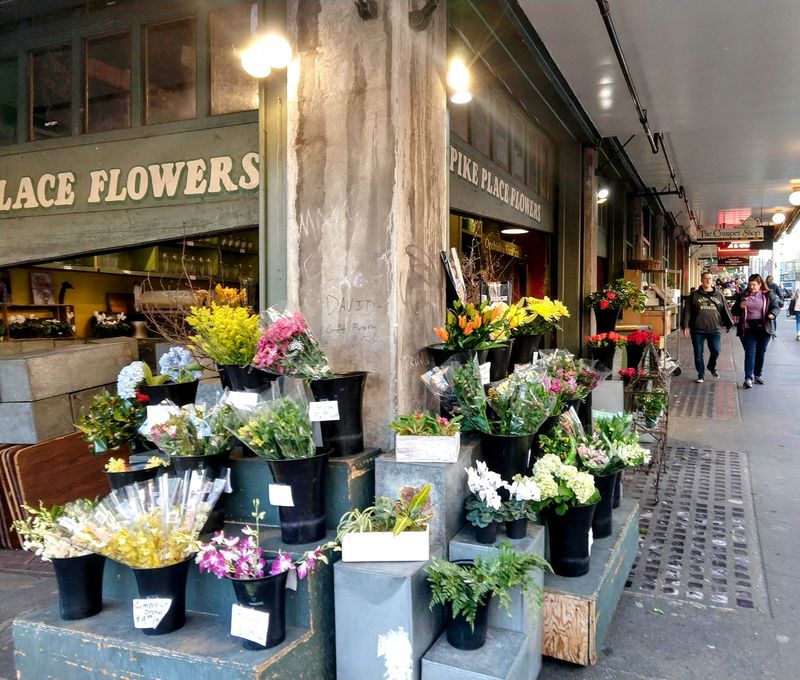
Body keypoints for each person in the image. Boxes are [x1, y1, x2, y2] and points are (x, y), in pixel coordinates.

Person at [731, 274, 782, 388]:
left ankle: (757, 375)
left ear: (760, 284)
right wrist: (740, 306)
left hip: (764, 328)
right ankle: (748, 378)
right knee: (750, 353)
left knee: (760, 352)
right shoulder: (743, 295)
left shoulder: (768, 295)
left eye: (754, 285)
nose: (751, 287)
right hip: (748, 329)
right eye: (750, 285)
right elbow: (734, 310)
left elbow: (776, 307)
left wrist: (772, 314)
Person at [682, 272, 734, 383]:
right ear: (701, 280)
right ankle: (701, 375)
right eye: (705, 278)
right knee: (698, 353)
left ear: (712, 280)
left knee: (716, 350)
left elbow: (725, 309)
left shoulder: (719, 294)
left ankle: (711, 366)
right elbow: (687, 310)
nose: (708, 280)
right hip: (697, 329)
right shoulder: (694, 295)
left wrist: (729, 324)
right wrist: (685, 325)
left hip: (714, 328)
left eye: (710, 278)